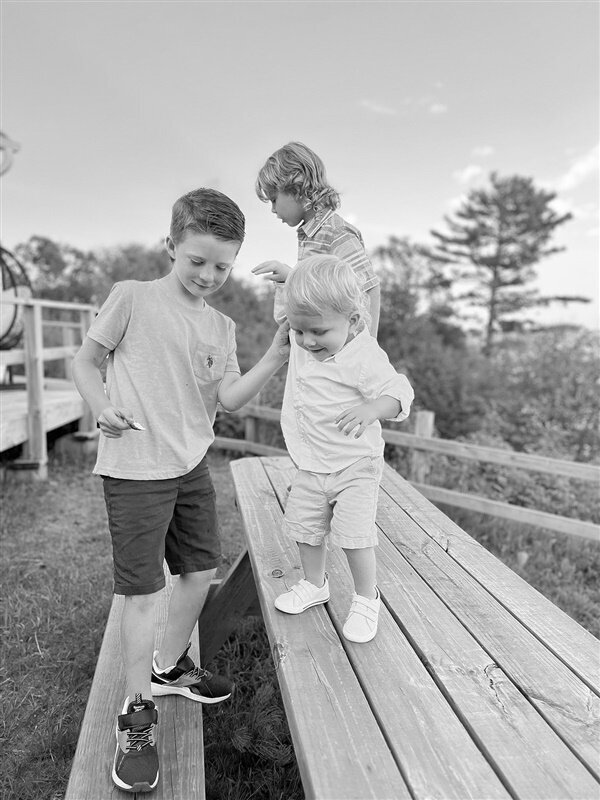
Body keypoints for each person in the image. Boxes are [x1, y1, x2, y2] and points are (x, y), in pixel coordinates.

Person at [72, 188, 289, 794]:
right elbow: (85, 364)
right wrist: (102, 406)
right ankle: (135, 716)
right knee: (142, 594)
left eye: (222, 265)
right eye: (197, 260)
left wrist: (274, 355)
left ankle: (169, 668)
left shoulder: (221, 325)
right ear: (171, 246)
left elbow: (225, 399)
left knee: (198, 571)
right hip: (135, 466)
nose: (208, 275)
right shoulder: (132, 299)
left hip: (191, 464)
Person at [274, 255, 414, 643]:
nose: (307, 342)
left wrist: (373, 409)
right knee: (305, 528)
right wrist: (290, 279)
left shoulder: (363, 354)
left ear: (353, 321)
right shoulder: (308, 332)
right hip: (312, 462)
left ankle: (367, 598)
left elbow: (400, 393)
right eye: (299, 332)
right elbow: (313, 305)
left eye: (317, 332)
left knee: (354, 536)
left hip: (355, 465)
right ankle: (315, 584)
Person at [252, 141, 381, 334]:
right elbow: (322, 292)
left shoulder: (336, 233)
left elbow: (368, 289)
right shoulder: (312, 234)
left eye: (274, 199)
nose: (273, 209)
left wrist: (368, 347)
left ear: (296, 188)